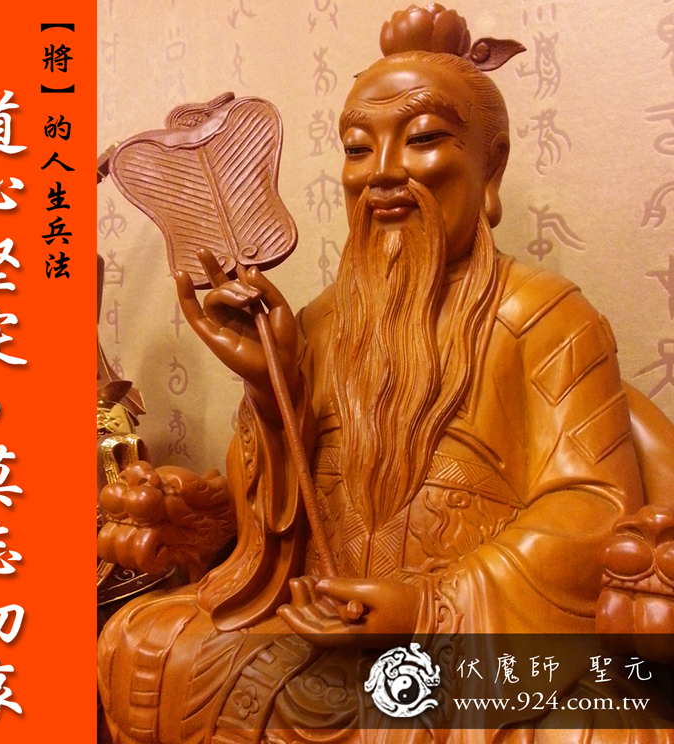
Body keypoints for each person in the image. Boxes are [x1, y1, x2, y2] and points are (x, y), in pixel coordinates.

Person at [97, 5, 673, 742]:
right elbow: (272, 526)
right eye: (358, 149)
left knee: (596, 728)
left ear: (490, 163)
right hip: (320, 621)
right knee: (142, 640)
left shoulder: (545, 316)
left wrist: (428, 608)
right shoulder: (316, 322)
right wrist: (271, 392)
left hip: (468, 633)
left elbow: (590, 510)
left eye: (423, 138)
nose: (384, 172)